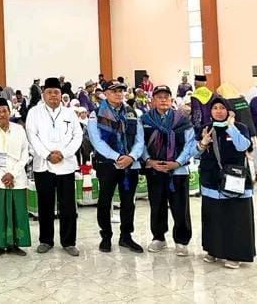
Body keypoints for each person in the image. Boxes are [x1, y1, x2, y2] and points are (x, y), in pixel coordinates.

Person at [192, 97, 254, 269]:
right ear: (210, 111)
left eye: (222, 108)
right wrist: (203, 143)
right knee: (213, 218)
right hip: (211, 182)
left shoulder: (240, 127)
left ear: (228, 110)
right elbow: (194, 154)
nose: (218, 111)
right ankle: (214, 250)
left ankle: (235, 255)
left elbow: (243, 147)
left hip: (236, 182)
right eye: (215, 108)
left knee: (236, 219)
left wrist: (231, 127)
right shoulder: (205, 128)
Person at [25, 77, 83, 257]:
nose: (53, 96)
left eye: (56, 92)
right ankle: (46, 240)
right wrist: (47, 154)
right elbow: (32, 136)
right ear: (43, 94)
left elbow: (78, 136)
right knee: (45, 205)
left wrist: (63, 154)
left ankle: (69, 242)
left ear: (61, 94)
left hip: (66, 165)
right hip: (44, 165)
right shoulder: (34, 112)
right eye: (49, 92)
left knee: (68, 206)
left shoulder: (69, 113)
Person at [87, 81, 145, 253]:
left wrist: (131, 157)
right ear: (105, 93)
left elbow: (140, 139)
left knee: (128, 202)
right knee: (105, 201)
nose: (119, 94)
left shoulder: (132, 113)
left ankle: (126, 236)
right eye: (114, 91)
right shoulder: (96, 114)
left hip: (130, 164)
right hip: (107, 164)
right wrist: (117, 157)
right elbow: (96, 141)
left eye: (121, 91)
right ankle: (106, 236)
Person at [141, 86, 195, 256]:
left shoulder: (182, 120)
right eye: (159, 97)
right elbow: (139, 142)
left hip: (178, 170)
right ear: (153, 100)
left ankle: (181, 241)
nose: (163, 99)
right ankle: (158, 238)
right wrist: (149, 161)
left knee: (180, 207)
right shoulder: (145, 120)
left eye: (166, 96)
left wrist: (177, 163)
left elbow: (190, 143)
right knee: (157, 205)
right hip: (155, 169)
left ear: (171, 100)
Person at [0, 97, 31, 257]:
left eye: (5, 111)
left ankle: (15, 244)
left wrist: (13, 173)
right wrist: (2, 175)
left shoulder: (19, 130)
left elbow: (25, 153)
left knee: (18, 212)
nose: (2, 114)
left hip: (17, 177)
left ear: (10, 112)